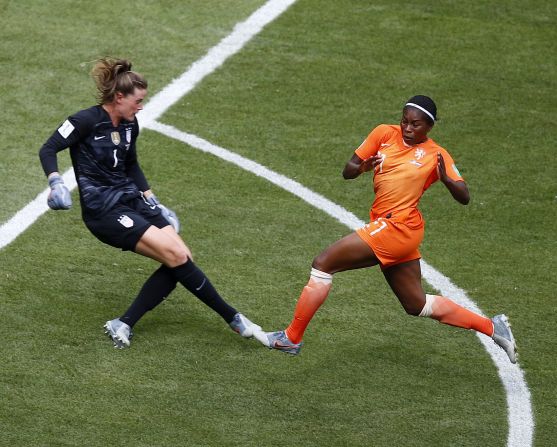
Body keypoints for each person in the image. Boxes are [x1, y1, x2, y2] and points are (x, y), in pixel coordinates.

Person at [263, 95, 518, 363]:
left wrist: (445, 179)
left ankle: (291, 338)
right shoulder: (383, 133)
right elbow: (347, 171)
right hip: (391, 227)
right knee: (416, 304)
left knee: (323, 263)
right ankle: (492, 327)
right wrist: (361, 167)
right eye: (404, 121)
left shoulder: (436, 154)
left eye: (416, 125)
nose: (408, 128)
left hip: (397, 227)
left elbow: (464, 196)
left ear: (429, 127)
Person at [38, 57, 262, 348]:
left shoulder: (131, 125)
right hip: (104, 210)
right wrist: (55, 182)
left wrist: (152, 198)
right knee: (176, 256)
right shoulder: (84, 121)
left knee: (182, 257)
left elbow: (131, 165)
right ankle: (233, 318)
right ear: (119, 97)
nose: (141, 106)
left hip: (132, 199)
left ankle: (124, 323)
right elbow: (49, 148)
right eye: (138, 100)